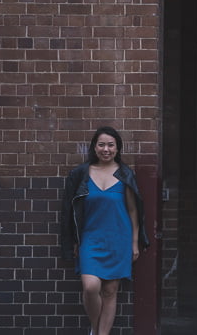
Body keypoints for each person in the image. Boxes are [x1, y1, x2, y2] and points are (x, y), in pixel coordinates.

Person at [60, 127, 150, 335]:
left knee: (110, 291)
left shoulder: (125, 174)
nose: (106, 149)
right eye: (101, 144)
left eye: (111, 145)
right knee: (91, 287)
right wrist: (73, 240)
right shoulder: (81, 173)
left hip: (119, 238)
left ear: (118, 148)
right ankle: (94, 326)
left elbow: (133, 210)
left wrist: (134, 242)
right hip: (90, 239)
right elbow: (69, 210)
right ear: (94, 147)